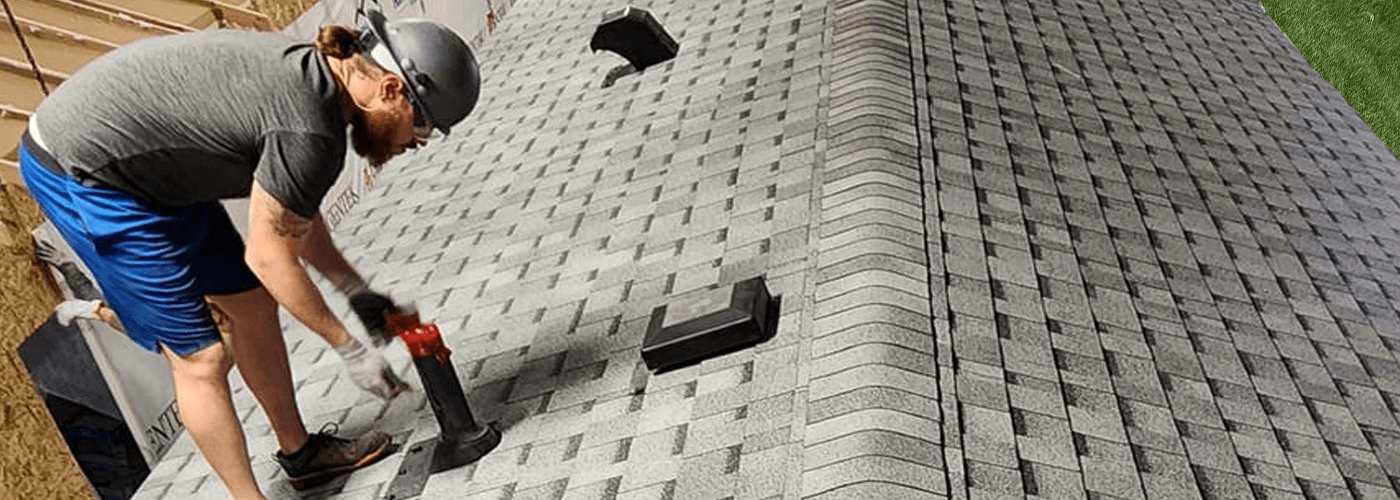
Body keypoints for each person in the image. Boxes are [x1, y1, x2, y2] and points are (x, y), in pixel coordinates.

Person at [18, 10, 480, 499]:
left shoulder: (320, 92)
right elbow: (270, 256)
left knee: (254, 307)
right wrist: (347, 348)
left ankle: (301, 455)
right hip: (86, 172)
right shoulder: (310, 125)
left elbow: (292, 220)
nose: (416, 143)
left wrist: (355, 291)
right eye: (422, 125)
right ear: (391, 89)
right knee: (202, 358)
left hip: (151, 165)